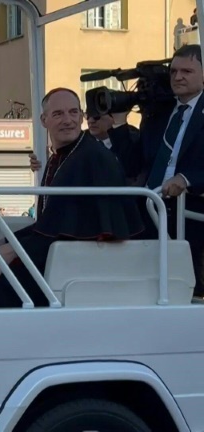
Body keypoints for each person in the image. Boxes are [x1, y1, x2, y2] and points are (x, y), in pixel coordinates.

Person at [0, 88, 145, 308]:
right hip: (61, 251)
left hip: (83, 259)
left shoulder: (93, 157)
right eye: (58, 114)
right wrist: (7, 243)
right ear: (43, 120)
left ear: (82, 116)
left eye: (73, 112)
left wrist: (14, 249)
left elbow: (79, 230)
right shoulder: (63, 155)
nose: (68, 120)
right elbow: (53, 223)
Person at [110, 44, 204, 297]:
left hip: (191, 213)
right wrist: (119, 124)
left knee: (188, 289)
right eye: (173, 71)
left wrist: (187, 179)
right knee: (143, 287)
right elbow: (134, 165)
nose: (178, 77)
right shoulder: (159, 113)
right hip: (150, 210)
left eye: (187, 71)